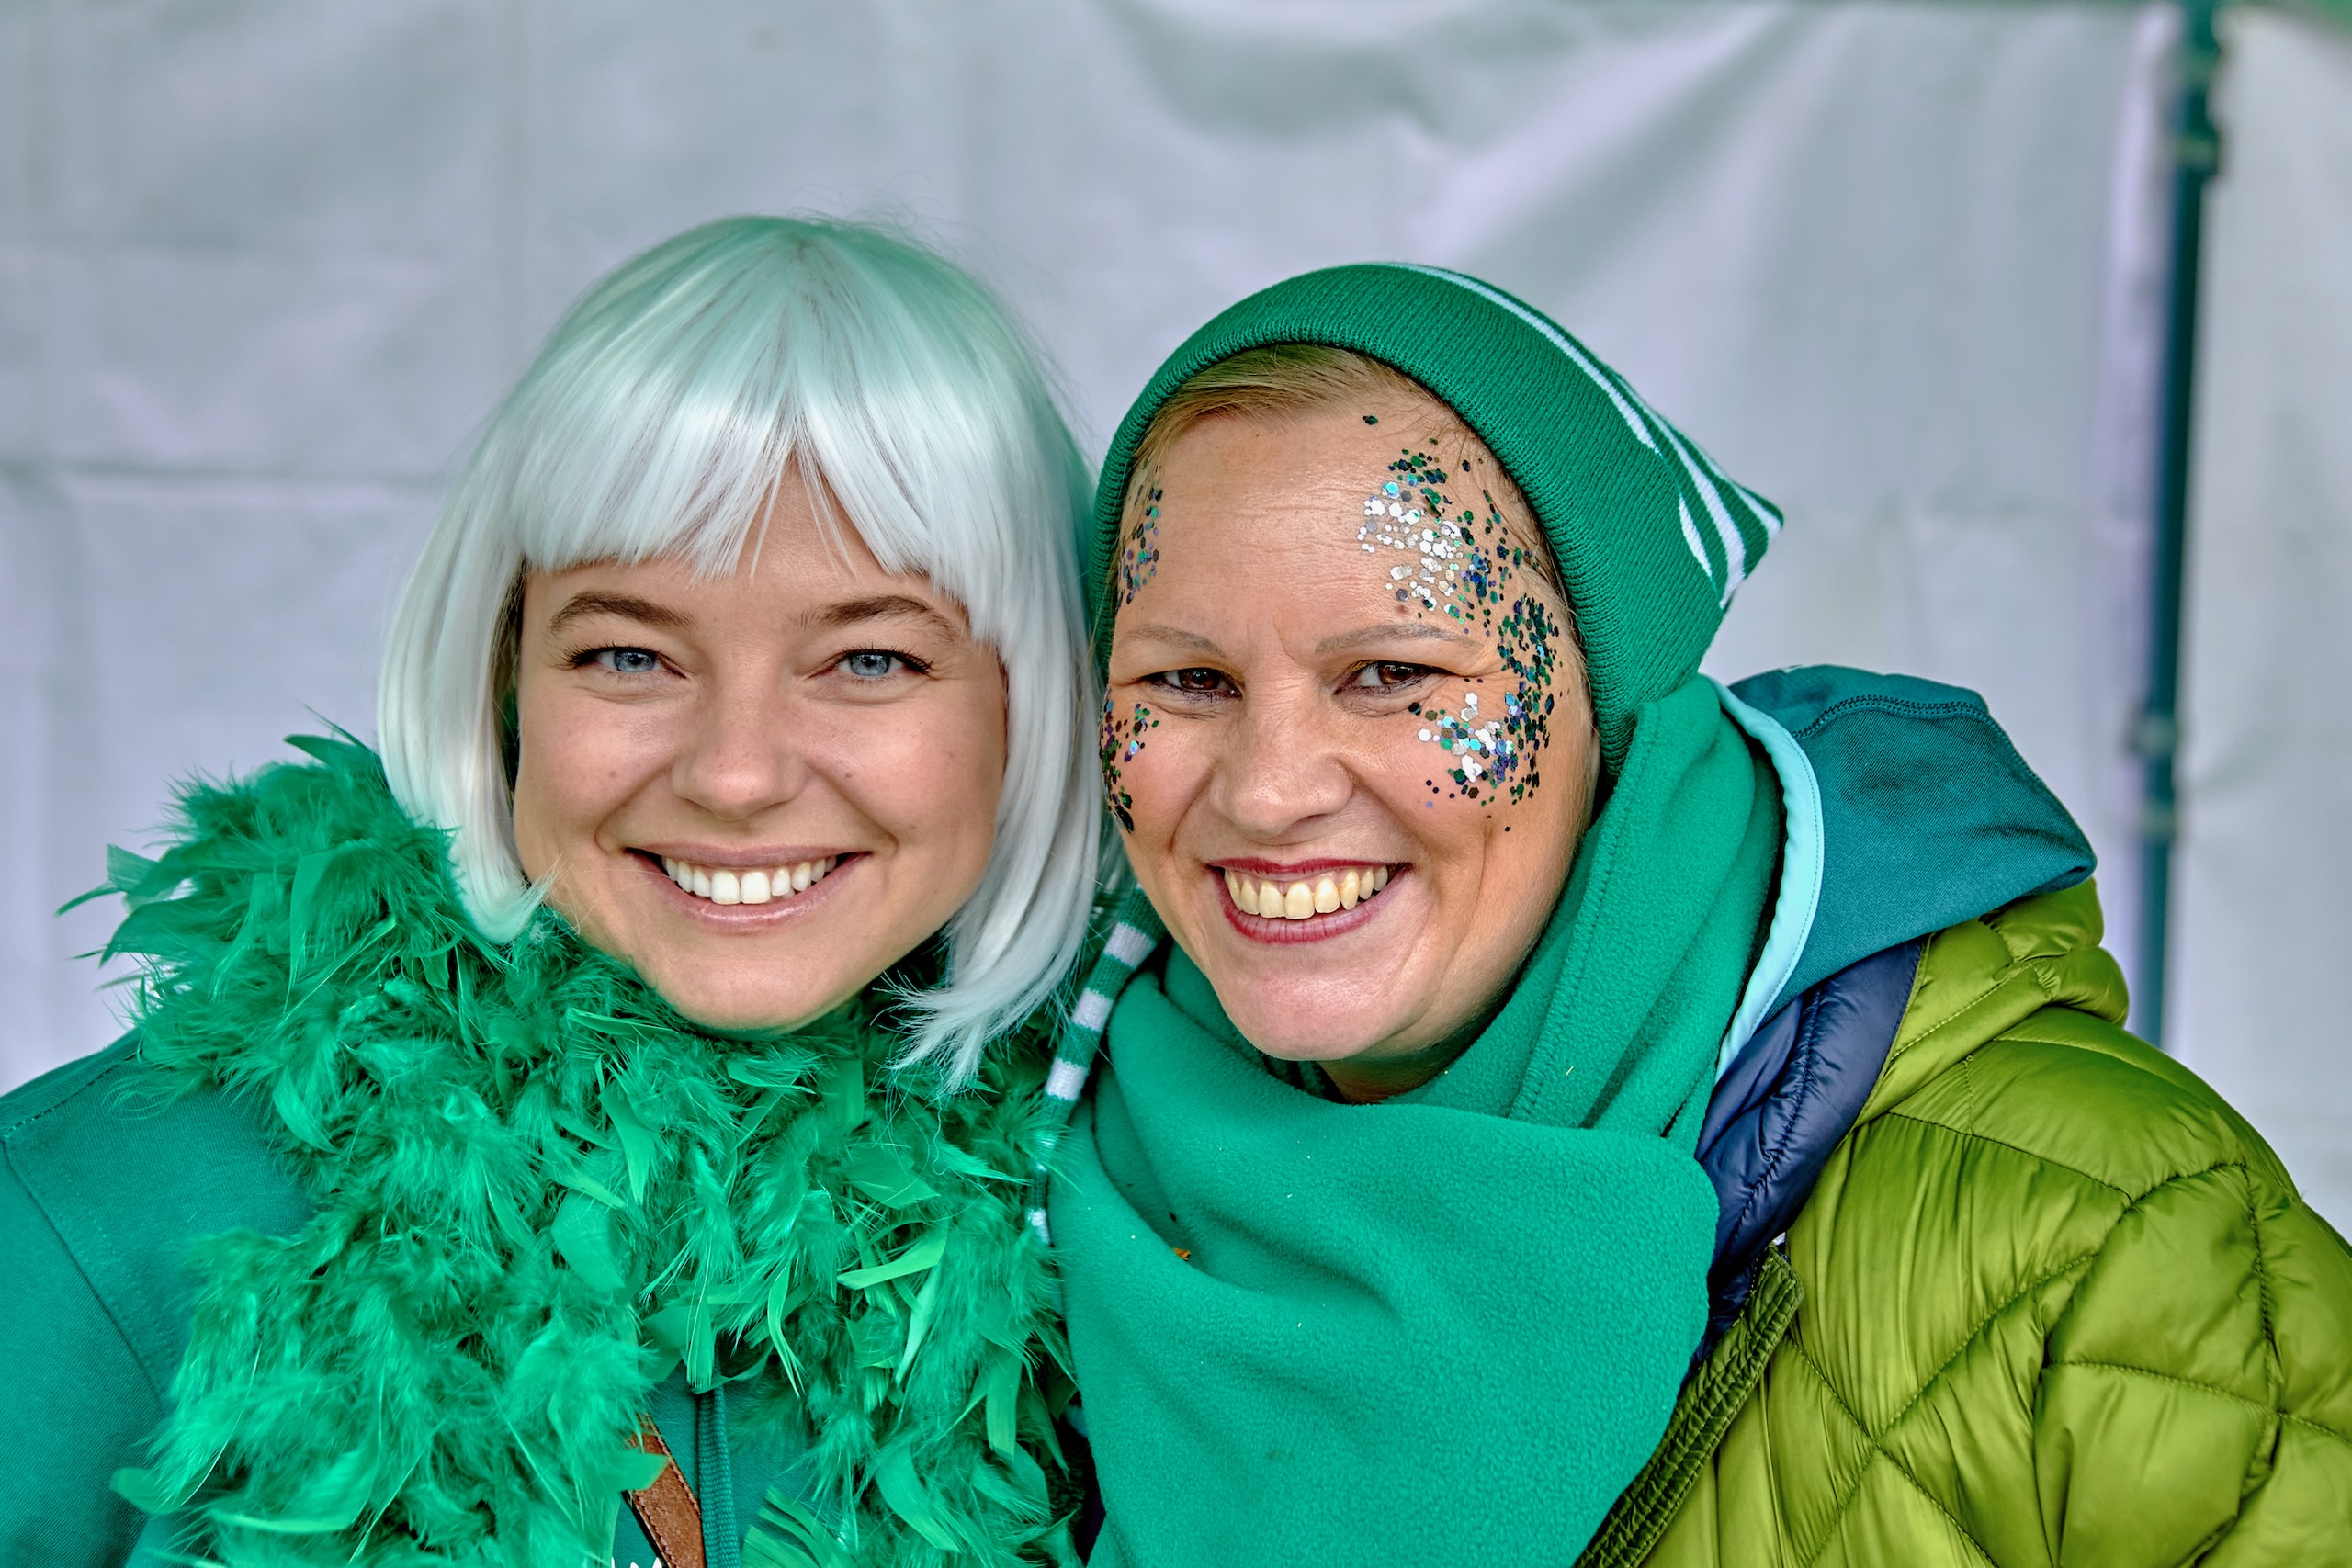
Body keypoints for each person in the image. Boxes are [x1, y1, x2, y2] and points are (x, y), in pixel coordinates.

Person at [1044, 265, 2352, 1566]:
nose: (1267, 791)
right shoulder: (1029, 1194)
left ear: (1609, 710)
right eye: (1187, 679)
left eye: (1392, 673)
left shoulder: (2111, 1247)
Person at [0, 216, 1102, 1568]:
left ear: (1034, 703)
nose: (737, 774)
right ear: (503, 681)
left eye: (870, 661)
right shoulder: (93, 1218)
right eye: (631, 656)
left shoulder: (1132, 1225)